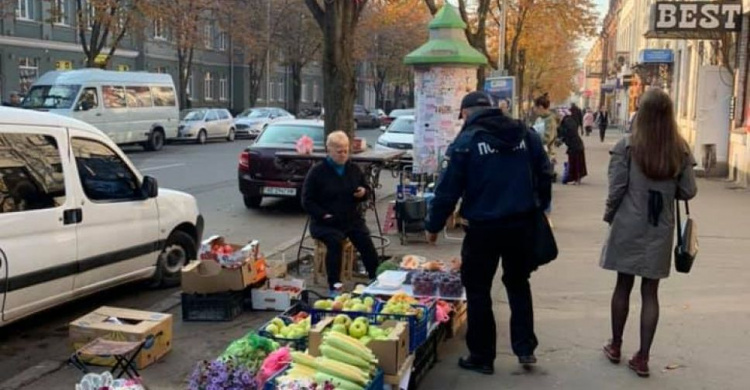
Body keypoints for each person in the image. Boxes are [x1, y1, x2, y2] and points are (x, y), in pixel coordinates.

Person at [425, 91, 553, 375]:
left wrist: (433, 225)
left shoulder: (467, 141)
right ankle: (525, 348)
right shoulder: (524, 133)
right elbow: (545, 171)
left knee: (478, 288)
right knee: (518, 283)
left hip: (483, 228)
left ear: (467, 113)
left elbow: (447, 189)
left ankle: (482, 356)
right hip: (521, 224)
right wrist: (540, 206)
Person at [600, 88, 697, 378]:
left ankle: (615, 345)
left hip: (628, 223)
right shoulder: (680, 149)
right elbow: (688, 190)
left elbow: (616, 188)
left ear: (641, 113)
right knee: (650, 291)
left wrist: (608, 215)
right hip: (660, 227)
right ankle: (642, 357)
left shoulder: (627, 146)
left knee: (622, 285)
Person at [301, 131, 379, 294]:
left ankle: (375, 277)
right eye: (339, 151)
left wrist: (363, 192)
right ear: (329, 150)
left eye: (345, 150)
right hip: (325, 222)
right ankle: (334, 285)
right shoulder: (317, 172)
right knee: (335, 242)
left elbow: (367, 190)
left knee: (365, 240)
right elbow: (307, 201)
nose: (343, 154)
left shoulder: (353, 169)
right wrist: (323, 215)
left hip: (350, 218)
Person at [557, 112, 587, 185]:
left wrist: (562, 139)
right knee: (578, 162)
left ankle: (576, 178)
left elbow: (568, 133)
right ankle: (577, 178)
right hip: (577, 145)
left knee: (575, 162)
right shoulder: (569, 121)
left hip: (574, 145)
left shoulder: (566, 122)